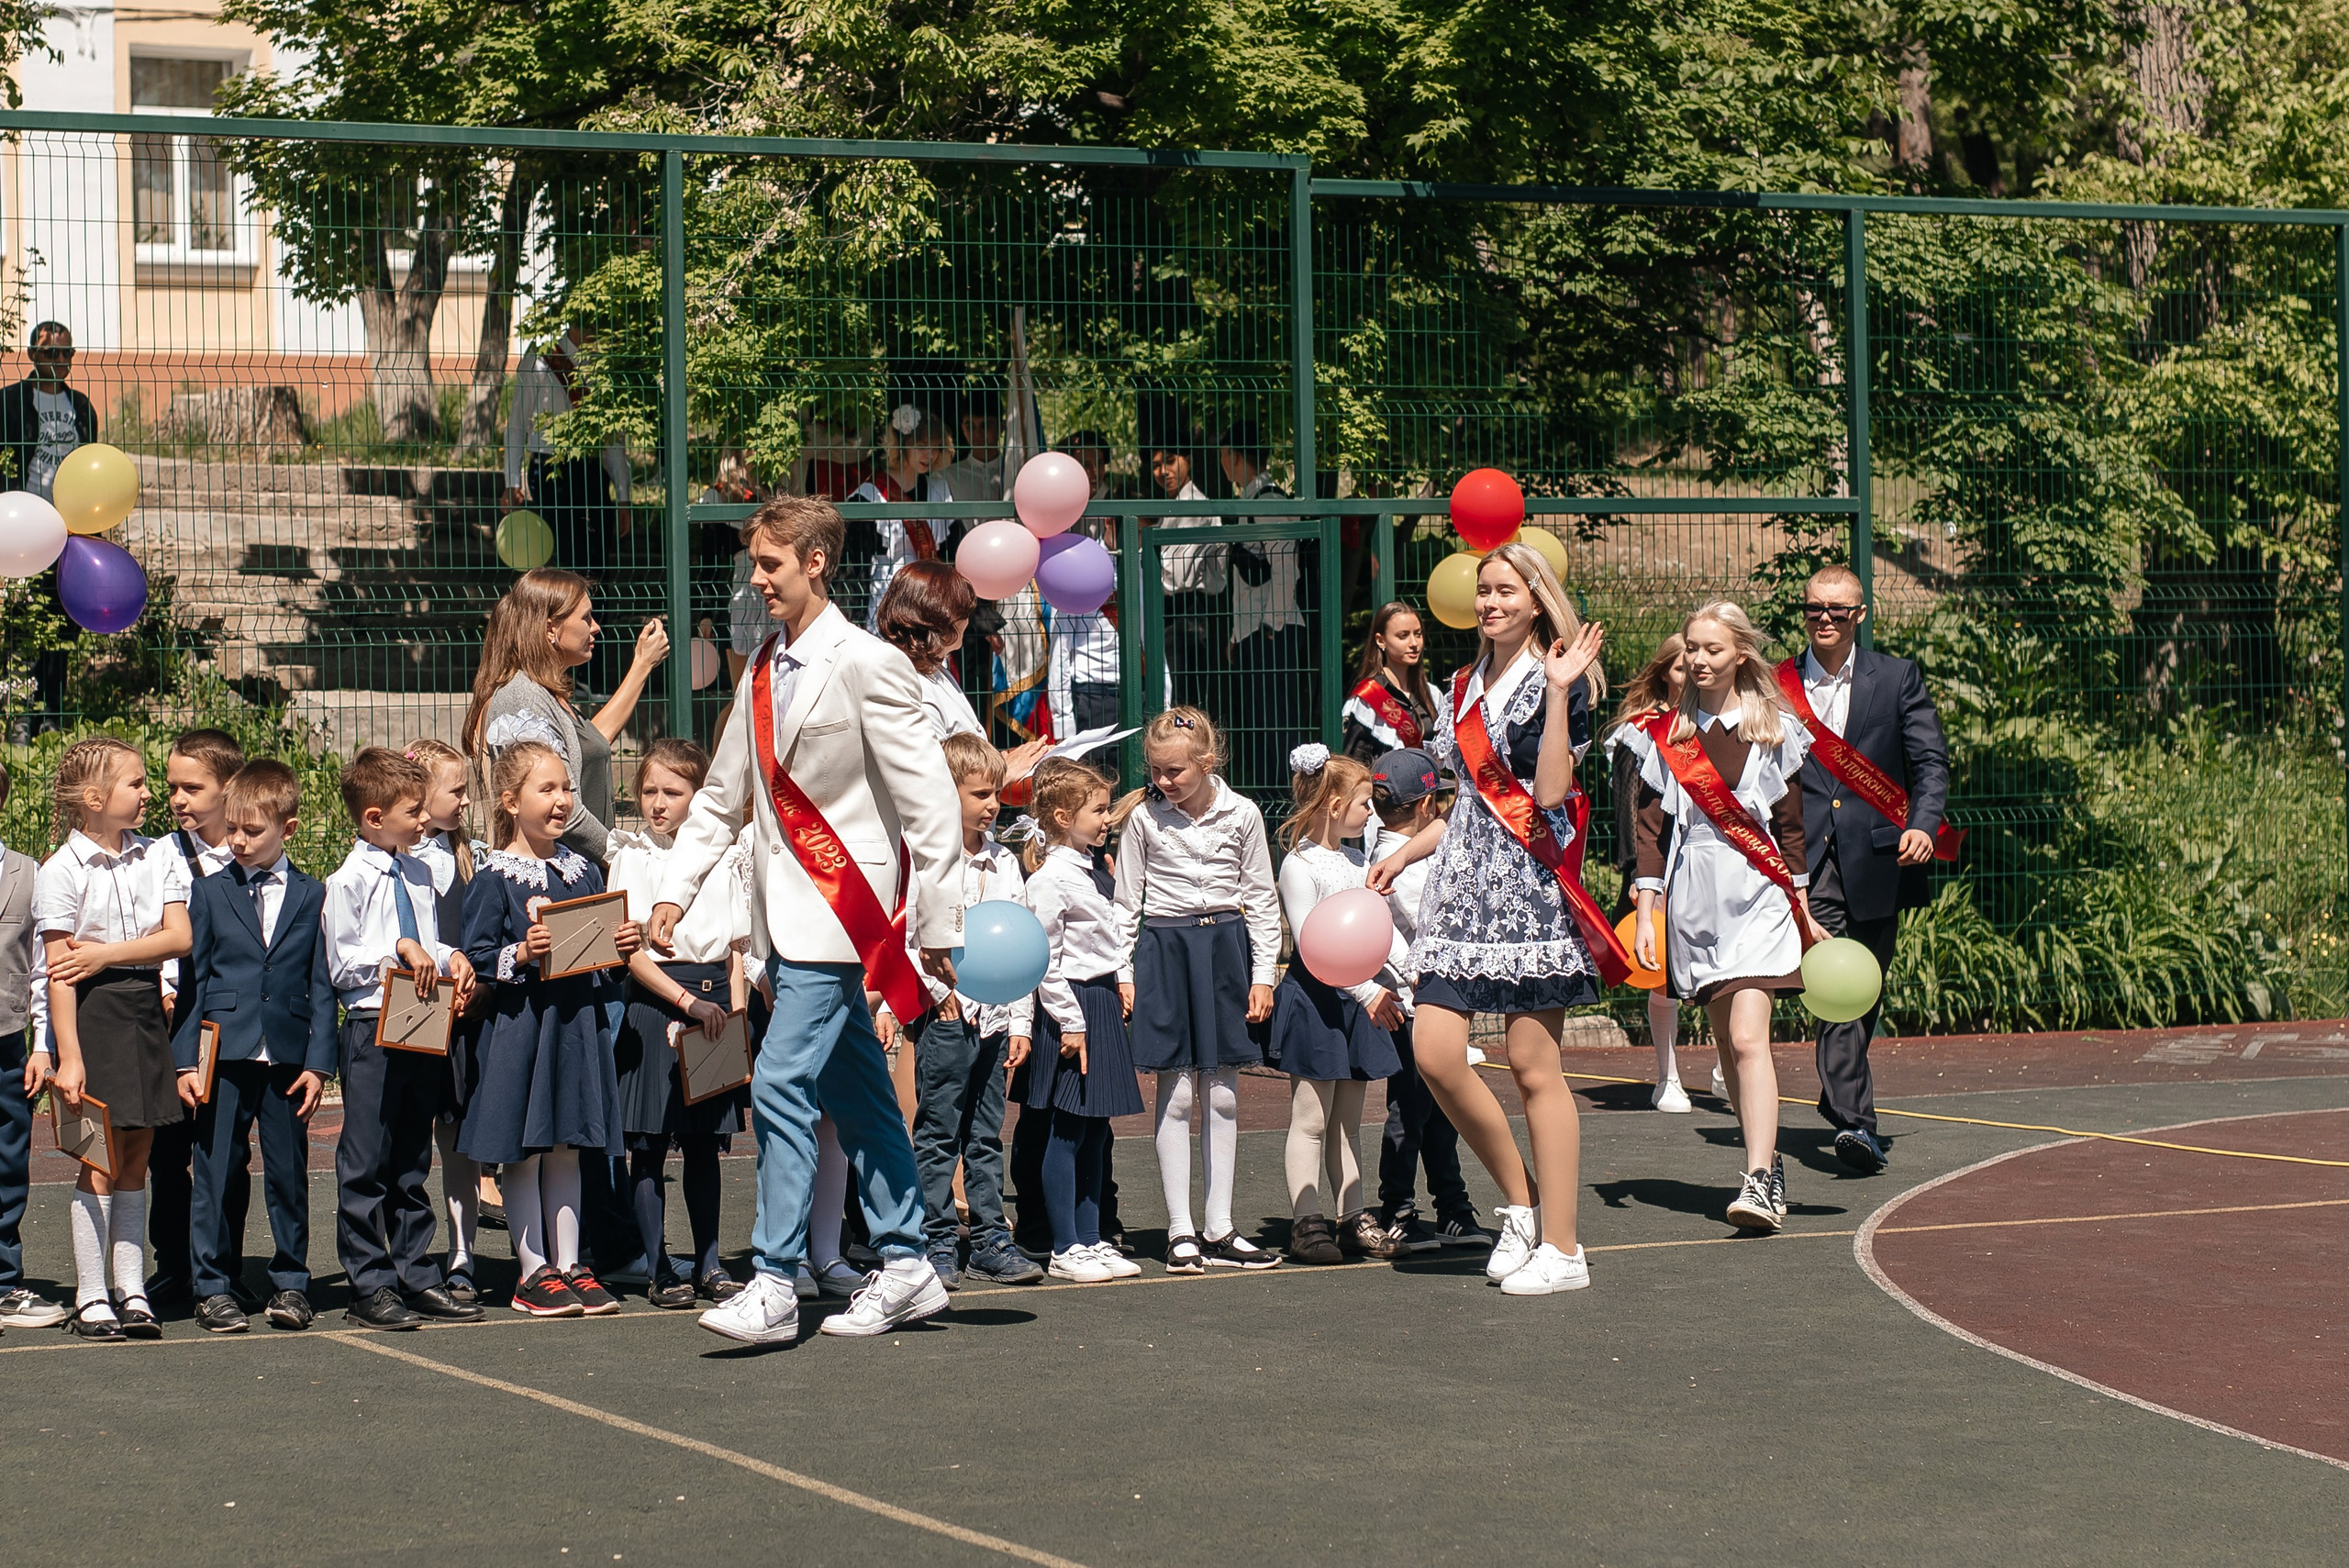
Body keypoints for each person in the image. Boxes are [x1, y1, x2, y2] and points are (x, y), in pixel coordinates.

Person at [647, 495, 965, 1347]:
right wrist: (674, 890)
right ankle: (907, 1262)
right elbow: (720, 800)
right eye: (756, 562)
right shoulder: (758, 667)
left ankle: (776, 1278)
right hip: (780, 920)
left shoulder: (867, 662)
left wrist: (938, 913)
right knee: (858, 1095)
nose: (757, 577)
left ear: (816, 563)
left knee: (783, 1082)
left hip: (840, 917)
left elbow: (928, 797)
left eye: (770, 564)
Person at [1366, 541, 1625, 1297]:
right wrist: (1409, 851)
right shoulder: (1458, 680)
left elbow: (1546, 794)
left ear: (1537, 600)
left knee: (1532, 1065)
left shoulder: (1563, 682)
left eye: (1506, 590)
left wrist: (1555, 693)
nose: (1489, 602)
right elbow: (1465, 802)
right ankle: (1524, 1203)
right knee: (1436, 1051)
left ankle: (1565, 1248)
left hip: (1529, 886)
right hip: (1460, 887)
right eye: (1484, 589)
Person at [1617, 601, 1826, 1233]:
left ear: (1741, 654)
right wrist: (1648, 913)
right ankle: (1765, 1161)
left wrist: (1804, 909)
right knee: (1727, 1050)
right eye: (1691, 650)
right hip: (1694, 898)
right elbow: (1650, 831)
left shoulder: (1773, 727)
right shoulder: (1664, 735)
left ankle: (1759, 1179)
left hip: (1758, 896)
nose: (1698, 660)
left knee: (1744, 1038)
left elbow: (1792, 829)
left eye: (1711, 649)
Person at [1778, 563, 1952, 1174]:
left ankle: (1841, 1096)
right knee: (1833, 983)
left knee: (1865, 988)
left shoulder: (1897, 678)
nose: (1823, 619)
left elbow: (1930, 764)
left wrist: (1923, 825)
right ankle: (1856, 1121)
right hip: (1805, 862)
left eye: (1836, 610)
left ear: (1859, 616)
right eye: (1813, 609)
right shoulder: (1776, 685)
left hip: (1880, 857)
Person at [459, 741, 640, 1318]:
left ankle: (570, 1264)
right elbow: (477, 955)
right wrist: (522, 950)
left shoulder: (581, 869)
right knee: (527, 1149)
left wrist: (619, 948)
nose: (562, 800)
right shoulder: (493, 875)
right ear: (510, 801)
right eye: (548, 789)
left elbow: (596, 948)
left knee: (567, 1144)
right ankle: (531, 1269)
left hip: (574, 1024)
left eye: (567, 788)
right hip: (522, 1028)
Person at [167, 761, 339, 1334]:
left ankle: (291, 1283)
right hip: (222, 1054)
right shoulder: (209, 892)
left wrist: (319, 1065)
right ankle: (212, 1285)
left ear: (287, 829)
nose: (238, 841)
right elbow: (194, 985)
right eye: (233, 829)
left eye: (252, 831)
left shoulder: (314, 893)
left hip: (288, 1058)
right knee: (215, 1170)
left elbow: (322, 986)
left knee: (289, 1173)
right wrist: (186, 1062)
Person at [1111, 707, 1283, 1274]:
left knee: (1225, 1092)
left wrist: (1263, 976)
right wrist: (1124, 971)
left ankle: (1220, 1225)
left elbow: (1259, 897)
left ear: (1207, 763)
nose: (1163, 782)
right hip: (1165, 949)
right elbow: (1126, 901)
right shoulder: (1144, 820)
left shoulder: (1243, 813)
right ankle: (1180, 1230)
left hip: (1225, 950)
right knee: (1178, 1091)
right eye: (1156, 771)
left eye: (1176, 772)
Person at [33, 737, 194, 1340]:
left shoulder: (159, 856)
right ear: (95, 798)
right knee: (96, 1159)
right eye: (136, 782)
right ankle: (92, 1294)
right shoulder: (60, 871)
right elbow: (60, 974)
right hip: (93, 1018)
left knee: (137, 1157)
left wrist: (106, 953)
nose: (149, 792)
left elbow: (177, 938)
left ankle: (133, 1289)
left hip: (145, 1010)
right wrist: (67, 1056)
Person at [326, 748, 484, 1329]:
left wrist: (452, 956)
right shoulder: (347, 880)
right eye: (414, 811)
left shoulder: (417, 871)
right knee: (367, 1156)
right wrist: (399, 950)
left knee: (412, 1155)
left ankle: (417, 1272)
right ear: (373, 817)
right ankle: (369, 1281)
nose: (425, 821)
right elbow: (343, 962)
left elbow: (428, 938)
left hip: (422, 1017)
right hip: (373, 1027)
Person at [607, 739, 756, 1308]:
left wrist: (735, 1011)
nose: (659, 803)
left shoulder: (722, 857)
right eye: (649, 791)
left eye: (674, 792)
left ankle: (711, 1264)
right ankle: (658, 1267)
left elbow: (737, 945)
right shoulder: (632, 856)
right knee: (648, 1144)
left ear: (700, 798)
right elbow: (633, 953)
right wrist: (685, 1004)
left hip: (717, 1005)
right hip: (658, 1003)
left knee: (702, 1145)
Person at [895, 733, 1044, 1289]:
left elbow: (1023, 943)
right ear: (945, 792)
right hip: (947, 1017)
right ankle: (933, 1243)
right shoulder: (926, 859)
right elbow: (910, 936)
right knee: (937, 1132)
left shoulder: (1005, 861)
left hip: (997, 1020)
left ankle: (989, 1241)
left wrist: (1021, 1020)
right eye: (981, 793)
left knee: (985, 1135)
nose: (993, 804)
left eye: (996, 793)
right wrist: (942, 998)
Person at [1269, 746, 1407, 1265]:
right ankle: (1306, 1223)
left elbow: (1376, 927)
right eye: (1364, 803)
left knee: (1348, 1122)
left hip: (1357, 1003)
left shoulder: (1357, 859)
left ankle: (1352, 1218)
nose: (1371, 813)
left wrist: (1414, 970)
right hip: (1318, 1002)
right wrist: (1368, 990)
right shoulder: (1299, 866)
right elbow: (1313, 945)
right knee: (1310, 1118)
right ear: (1332, 804)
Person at [1013, 761, 1142, 1282]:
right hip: (1072, 1010)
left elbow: (1109, 939)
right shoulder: (1049, 880)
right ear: (1064, 817)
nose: (1107, 817)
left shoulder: (1094, 870)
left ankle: (1092, 1238)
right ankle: (1065, 1244)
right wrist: (1071, 1021)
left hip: (1102, 1003)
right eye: (1098, 809)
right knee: (1066, 1130)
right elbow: (1042, 959)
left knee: (1095, 1129)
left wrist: (1121, 979)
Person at [463, 568, 670, 868]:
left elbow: (592, 743)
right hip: (553, 881)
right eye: (586, 618)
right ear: (550, 629)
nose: (596, 627)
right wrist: (624, 859)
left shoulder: (548, 695)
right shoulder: (526, 699)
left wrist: (642, 665)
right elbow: (556, 808)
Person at [145, 728, 249, 1310]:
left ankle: (225, 1265)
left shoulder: (247, 852)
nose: (178, 799)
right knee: (169, 1150)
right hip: (171, 1017)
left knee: (227, 1149)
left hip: (225, 1023)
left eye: (192, 787)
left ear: (228, 787)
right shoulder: (161, 854)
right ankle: (174, 1264)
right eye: (171, 787)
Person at [1365, 748, 1484, 1251]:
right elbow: (1411, 931)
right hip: (1416, 1004)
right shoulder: (1406, 865)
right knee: (1410, 1111)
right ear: (1425, 807)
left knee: (1437, 1111)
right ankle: (1399, 1207)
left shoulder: (1393, 853)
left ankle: (1451, 1206)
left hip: (1427, 1003)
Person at [405, 739, 495, 1302]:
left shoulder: (476, 859)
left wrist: (476, 991)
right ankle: (408, 1257)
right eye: (455, 791)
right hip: (411, 1018)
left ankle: (463, 1254)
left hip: (465, 1020)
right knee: (408, 1143)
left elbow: (485, 944)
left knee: (460, 1142)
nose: (464, 801)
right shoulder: (388, 862)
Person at [1609, 634, 1697, 1113]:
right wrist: (1641, 877)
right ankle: (1669, 1076)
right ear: (1665, 672)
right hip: (1660, 867)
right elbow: (1631, 809)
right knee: (1663, 974)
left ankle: (1726, 1067)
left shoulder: (1724, 720)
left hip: (1715, 863)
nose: (1691, 674)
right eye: (1681, 668)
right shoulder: (1641, 730)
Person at [0, 321, 97, 738]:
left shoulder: (82, 408)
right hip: (23, 529)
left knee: (62, 623)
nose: (58, 361)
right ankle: (20, 718)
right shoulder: (10, 403)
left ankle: (53, 716)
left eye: (66, 354)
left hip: (69, 532)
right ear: (32, 356)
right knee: (22, 623)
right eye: (48, 354)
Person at [0, 758, 71, 1331]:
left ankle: (3, 1283)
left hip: (7, 1047)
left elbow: (47, 970)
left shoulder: (28, 873)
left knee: (6, 1165)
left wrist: (43, 1044)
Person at [502, 327, 634, 585]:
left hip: (592, 470)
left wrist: (623, 496)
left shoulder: (603, 365)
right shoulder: (538, 361)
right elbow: (516, 424)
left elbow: (612, 437)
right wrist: (512, 482)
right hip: (550, 470)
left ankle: (596, 624)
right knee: (559, 561)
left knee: (596, 563)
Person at [1216, 422, 1307, 795]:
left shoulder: (1267, 500)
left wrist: (1272, 626)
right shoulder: (1252, 501)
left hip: (1274, 634)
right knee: (1264, 726)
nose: (1223, 466)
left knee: (1279, 728)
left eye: (1224, 458)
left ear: (1236, 457)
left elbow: (1286, 566)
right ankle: (1276, 808)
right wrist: (1240, 634)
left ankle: (1288, 806)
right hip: (1258, 633)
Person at [1045, 431, 1124, 740]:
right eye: (1082, 464)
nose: (1090, 472)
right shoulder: (1055, 509)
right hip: (1076, 654)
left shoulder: (1114, 506)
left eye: (1095, 464)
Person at [853, 404, 957, 627]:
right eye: (921, 446)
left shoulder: (940, 490)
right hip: (886, 601)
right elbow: (853, 569)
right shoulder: (869, 496)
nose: (929, 455)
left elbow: (955, 550)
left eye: (936, 447)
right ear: (901, 445)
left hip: (932, 599)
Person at [1148, 442, 1222, 714]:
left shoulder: (1192, 505)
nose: (1162, 471)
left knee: (1183, 701)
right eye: (1156, 465)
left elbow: (1177, 576)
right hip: (1178, 613)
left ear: (1188, 460)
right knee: (1177, 698)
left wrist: (1148, 558)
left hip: (1185, 613)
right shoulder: (1176, 504)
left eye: (1169, 461)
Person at [1343, 603, 1442, 765]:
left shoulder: (1431, 695)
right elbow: (1354, 765)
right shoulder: (1367, 699)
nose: (1414, 643)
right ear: (1381, 641)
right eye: (1403, 636)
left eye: (1418, 634)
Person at [942, 388, 1008, 503]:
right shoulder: (946, 477)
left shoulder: (1015, 475)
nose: (977, 434)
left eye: (986, 425)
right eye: (970, 426)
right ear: (963, 428)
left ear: (1001, 427)